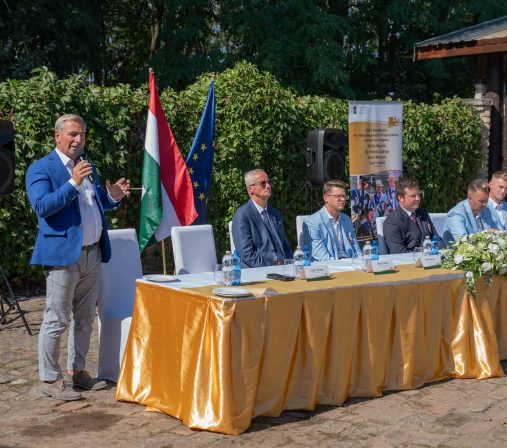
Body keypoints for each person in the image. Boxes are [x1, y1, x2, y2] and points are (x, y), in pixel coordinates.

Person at [26, 114, 130, 401]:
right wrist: (72, 182)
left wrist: (112, 196)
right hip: (62, 256)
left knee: (85, 318)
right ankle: (50, 378)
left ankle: (77, 372)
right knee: (57, 319)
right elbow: (42, 206)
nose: (78, 139)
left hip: (92, 253)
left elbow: (94, 205)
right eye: (72, 134)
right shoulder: (41, 168)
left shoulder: (86, 165)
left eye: (82, 134)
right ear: (57, 136)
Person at [231, 169, 292, 267]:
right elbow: (246, 254)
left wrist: (291, 263)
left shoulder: (275, 214)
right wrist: (271, 266)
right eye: (263, 183)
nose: (268, 186)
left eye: (269, 182)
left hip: (284, 268)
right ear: (250, 189)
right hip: (258, 271)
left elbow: (285, 246)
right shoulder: (242, 215)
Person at [303, 180, 361, 261]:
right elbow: (323, 258)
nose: (343, 199)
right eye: (338, 196)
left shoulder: (346, 219)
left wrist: (361, 262)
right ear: (325, 198)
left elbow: (356, 250)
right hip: (329, 266)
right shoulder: (312, 223)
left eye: (344, 196)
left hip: (350, 262)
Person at [383, 177, 439, 254]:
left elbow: (436, 239)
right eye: (413, 196)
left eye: (419, 195)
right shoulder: (392, 222)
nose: (418, 199)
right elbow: (399, 253)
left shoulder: (423, 213)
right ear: (400, 198)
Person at [443, 178, 495, 245]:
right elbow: (463, 242)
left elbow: (494, 233)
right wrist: (485, 233)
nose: (485, 204)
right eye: (481, 201)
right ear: (470, 198)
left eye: (486, 200)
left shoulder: (486, 210)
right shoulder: (456, 214)